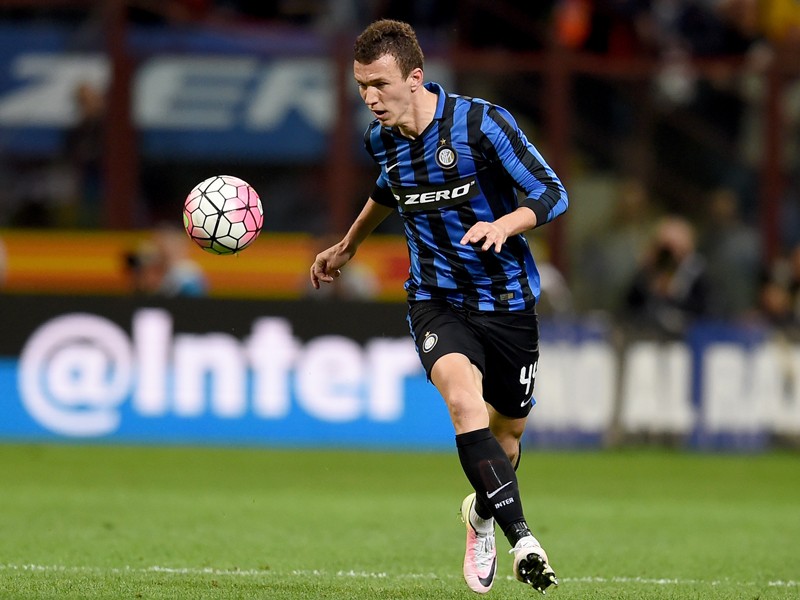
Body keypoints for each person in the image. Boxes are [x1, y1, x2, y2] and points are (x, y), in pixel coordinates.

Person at [310, 19, 568, 595]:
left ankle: (480, 514)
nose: (370, 97)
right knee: (462, 401)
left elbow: (552, 191)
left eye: (379, 83)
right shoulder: (381, 139)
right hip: (436, 299)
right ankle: (523, 540)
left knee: (508, 433)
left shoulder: (482, 124)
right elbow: (388, 188)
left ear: (415, 77)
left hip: (506, 301)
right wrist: (349, 244)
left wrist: (504, 225)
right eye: (361, 86)